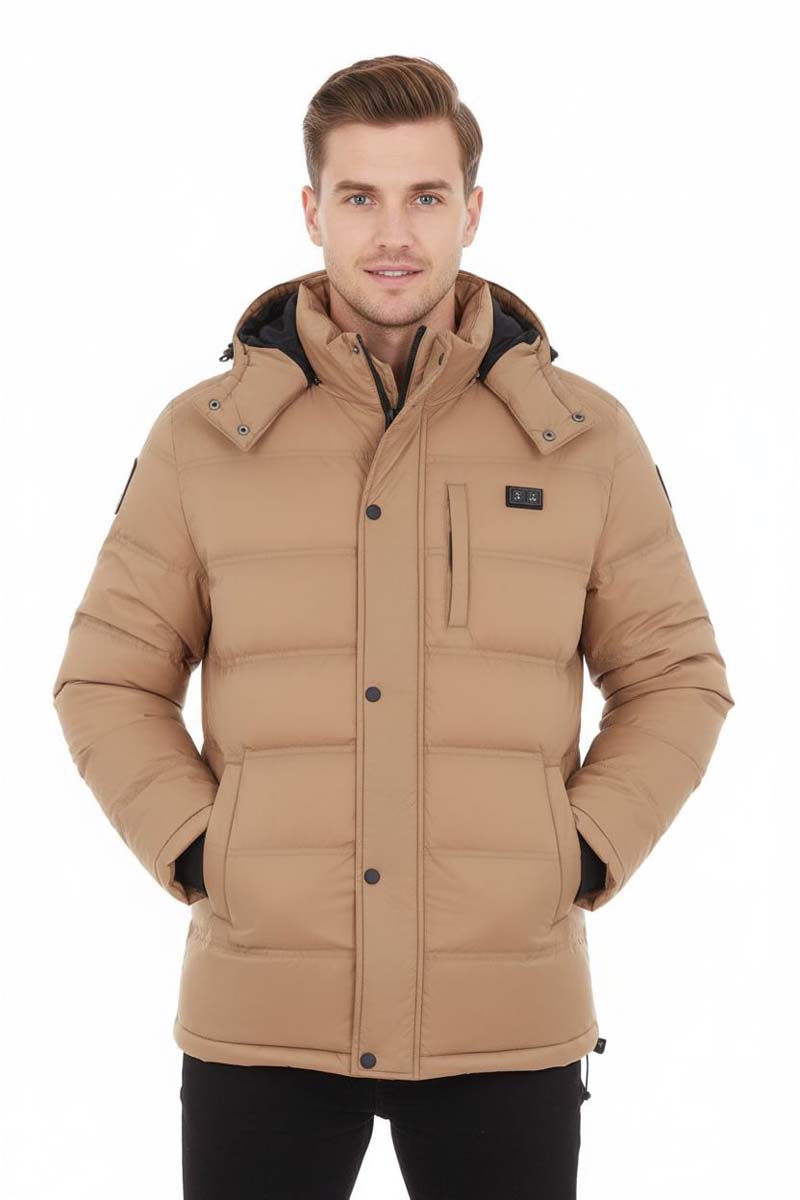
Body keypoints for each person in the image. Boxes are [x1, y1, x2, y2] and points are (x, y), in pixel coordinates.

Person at [51, 53, 735, 1200]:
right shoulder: (201, 439)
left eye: (424, 196)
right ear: (310, 209)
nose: (392, 234)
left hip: (502, 1011)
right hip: (264, 1008)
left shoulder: (582, 440)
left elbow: (675, 676)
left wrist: (573, 852)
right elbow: (106, 680)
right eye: (359, 196)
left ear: (471, 209)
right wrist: (205, 850)